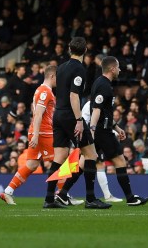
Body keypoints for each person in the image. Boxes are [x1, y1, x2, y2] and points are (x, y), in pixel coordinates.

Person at [43, 37, 109, 209]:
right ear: (85, 50)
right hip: (70, 116)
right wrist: (79, 120)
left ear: (69, 49)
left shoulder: (62, 67)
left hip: (58, 114)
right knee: (91, 155)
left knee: (59, 157)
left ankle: (49, 199)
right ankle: (90, 199)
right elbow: (74, 95)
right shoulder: (79, 68)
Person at [85, 56, 148, 206]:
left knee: (86, 162)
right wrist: (93, 130)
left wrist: (116, 127)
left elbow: (104, 111)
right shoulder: (103, 85)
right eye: (119, 67)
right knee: (119, 160)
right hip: (101, 130)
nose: (120, 70)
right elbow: (96, 109)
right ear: (112, 69)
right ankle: (130, 198)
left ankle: (69, 195)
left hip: (104, 128)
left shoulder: (102, 83)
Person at [1, 65, 57, 205]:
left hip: (36, 130)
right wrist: (37, 135)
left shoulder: (39, 89)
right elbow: (38, 113)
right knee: (60, 160)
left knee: (31, 164)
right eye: (58, 77)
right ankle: (61, 194)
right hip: (43, 131)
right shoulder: (45, 91)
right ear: (52, 76)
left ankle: (8, 191)